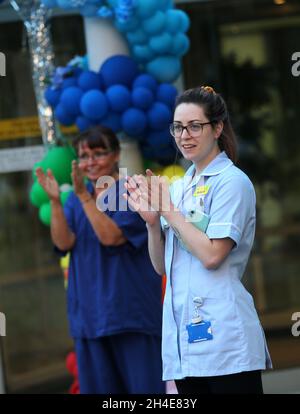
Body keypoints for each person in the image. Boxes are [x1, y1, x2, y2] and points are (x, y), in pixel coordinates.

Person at [124, 85, 272, 394]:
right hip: (185, 346)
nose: (184, 135)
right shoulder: (180, 187)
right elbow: (161, 267)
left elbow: (212, 255)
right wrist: (153, 224)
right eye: (178, 127)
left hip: (227, 343)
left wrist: (167, 209)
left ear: (217, 128)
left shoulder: (233, 182)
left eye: (195, 126)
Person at [36, 125, 164, 394]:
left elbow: (112, 237)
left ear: (116, 154)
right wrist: (57, 203)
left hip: (130, 316)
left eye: (98, 153)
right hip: (89, 318)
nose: (90, 162)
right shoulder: (74, 200)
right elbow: (63, 242)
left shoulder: (131, 191)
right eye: (83, 156)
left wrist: (84, 196)